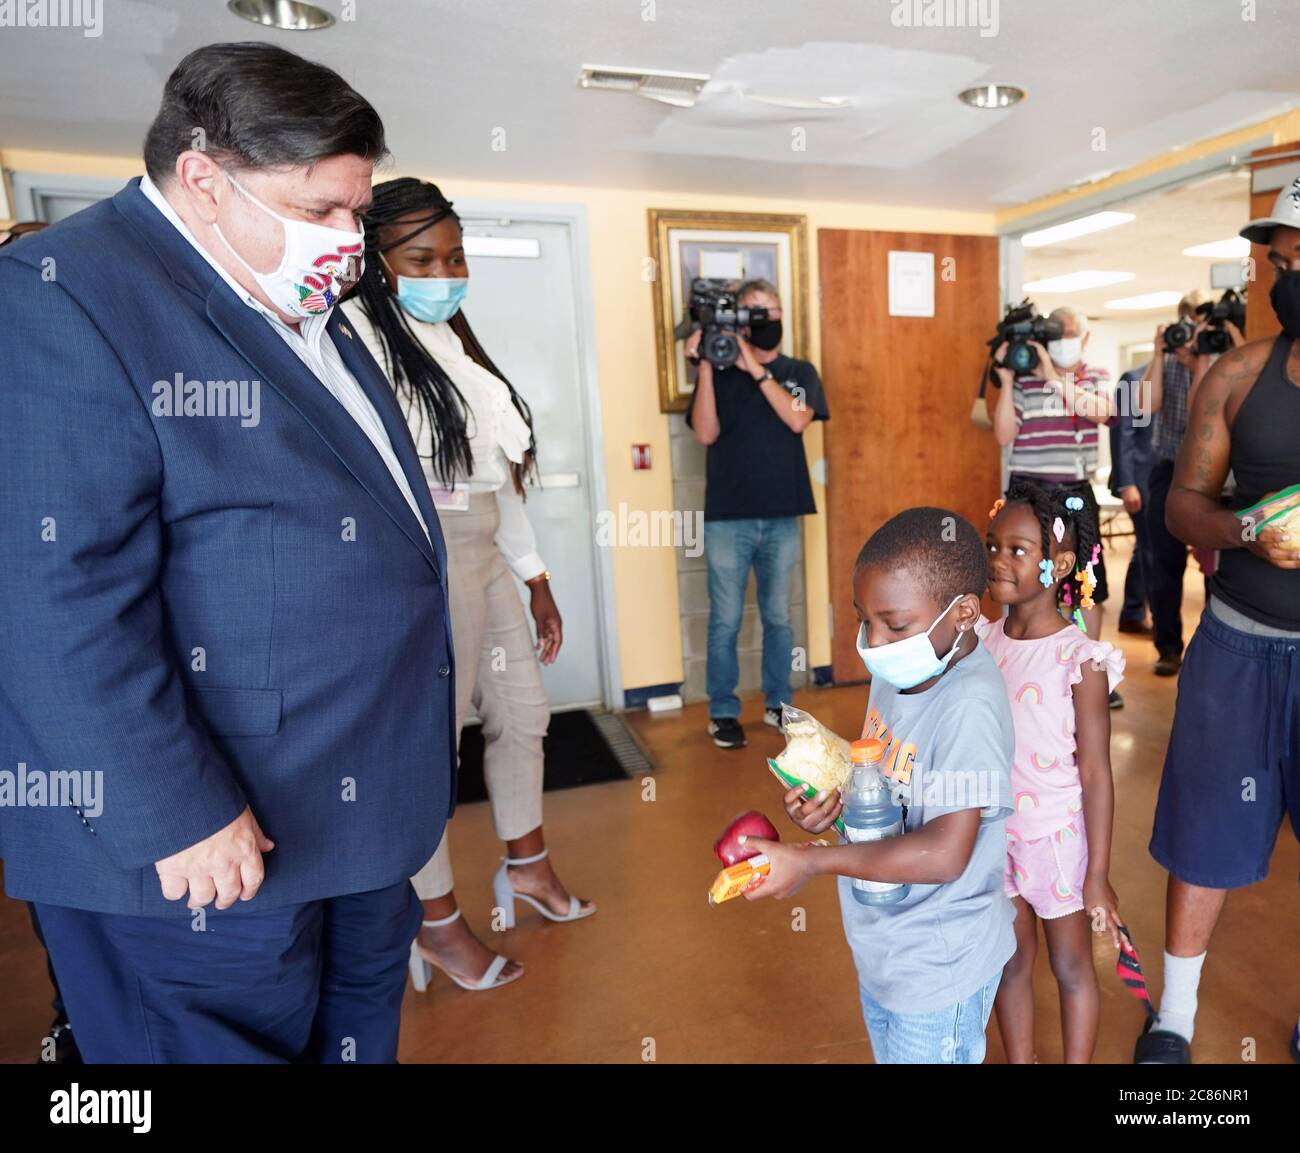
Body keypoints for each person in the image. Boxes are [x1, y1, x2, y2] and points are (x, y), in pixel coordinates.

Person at [0, 43, 456, 1063]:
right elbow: (43, 595)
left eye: (357, 211)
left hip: (349, 826)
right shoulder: (60, 295)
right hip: (202, 854)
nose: (348, 240)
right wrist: (175, 813)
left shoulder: (290, 299)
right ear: (204, 178)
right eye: (321, 210)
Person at [343, 178, 594, 995]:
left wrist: (539, 581)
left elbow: (493, 486)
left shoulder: (452, 343)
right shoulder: (356, 342)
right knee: (430, 745)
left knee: (523, 714)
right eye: (422, 257)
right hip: (422, 560)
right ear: (376, 263)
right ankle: (436, 918)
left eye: (454, 256)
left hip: (485, 549)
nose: (444, 272)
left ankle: (527, 866)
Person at [740, 508, 1015, 1064]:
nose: (874, 641)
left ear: (963, 613)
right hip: (886, 949)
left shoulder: (970, 707)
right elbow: (889, 782)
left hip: (938, 965)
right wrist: (834, 806)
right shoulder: (901, 670)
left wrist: (812, 861)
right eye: (864, 620)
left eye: (895, 624)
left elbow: (944, 853)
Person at [1137, 179, 1300, 1063]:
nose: (1286, 275)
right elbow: (1182, 507)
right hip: (1238, 642)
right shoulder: (1237, 375)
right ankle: (1176, 1014)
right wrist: (1246, 531)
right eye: (1281, 260)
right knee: (1206, 830)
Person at [982, 482, 1125, 1063]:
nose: (998, 559)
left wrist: (1098, 874)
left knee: (1070, 967)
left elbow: (1095, 772)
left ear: (1059, 564)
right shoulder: (983, 643)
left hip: (1056, 842)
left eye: (1017, 550)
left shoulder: (1079, 658)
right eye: (994, 545)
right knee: (1010, 962)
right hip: (996, 835)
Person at [686, 279, 829, 749]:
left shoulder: (800, 370)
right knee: (725, 618)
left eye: (770, 309)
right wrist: (709, 365)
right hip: (728, 516)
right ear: (739, 320)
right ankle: (723, 710)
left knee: (779, 616)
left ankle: (779, 702)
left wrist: (756, 369)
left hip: (783, 514)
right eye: (753, 311)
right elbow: (705, 433)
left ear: (782, 313)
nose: (763, 318)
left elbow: (796, 419)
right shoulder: (721, 371)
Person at [991, 304, 1123, 708]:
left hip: (1073, 492)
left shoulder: (1093, 376)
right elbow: (1002, 435)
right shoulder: (1024, 380)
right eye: (1056, 332)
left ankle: (1085, 675)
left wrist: (1053, 377)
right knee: (1021, 580)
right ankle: (1022, 671)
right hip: (1026, 493)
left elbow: (1104, 412)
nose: (1062, 339)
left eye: (1069, 332)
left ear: (1082, 338)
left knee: (1083, 585)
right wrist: (1010, 379)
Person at [1144, 293, 1222, 676]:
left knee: (1214, 567)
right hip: (1169, 469)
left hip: (1213, 476)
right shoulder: (1166, 361)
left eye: (1201, 327)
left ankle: (1213, 648)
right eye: (1188, 325)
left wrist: (1202, 361)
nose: (1192, 335)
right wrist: (1160, 355)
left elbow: (1202, 412)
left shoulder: (1224, 364)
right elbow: (1145, 405)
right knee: (1164, 565)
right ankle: (1168, 647)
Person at [1110, 361, 1156, 634]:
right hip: (1142, 480)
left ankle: (1132, 611)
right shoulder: (1134, 379)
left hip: (1170, 481)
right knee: (1150, 551)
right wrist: (1126, 483)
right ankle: (1139, 614)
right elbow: (1122, 434)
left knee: (1149, 550)